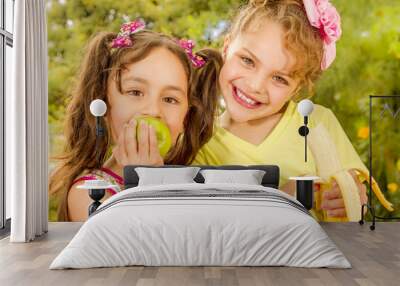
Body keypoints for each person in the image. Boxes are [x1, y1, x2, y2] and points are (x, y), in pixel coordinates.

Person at [192, 0, 369, 220]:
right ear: (226, 48)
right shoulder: (201, 143)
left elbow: (355, 191)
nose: (255, 86)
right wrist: (283, 200)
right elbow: (211, 226)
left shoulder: (316, 121)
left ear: (297, 89)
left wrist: (351, 198)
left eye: (279, 78)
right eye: (247, 60)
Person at [49, 20, 222, 221]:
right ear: (104, 103)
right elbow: (141, 243)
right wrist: (143, 179)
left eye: (170, 99)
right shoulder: (89, 192)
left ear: (186, 117)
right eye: (135, 92)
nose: (153, 110)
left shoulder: (183, 184)